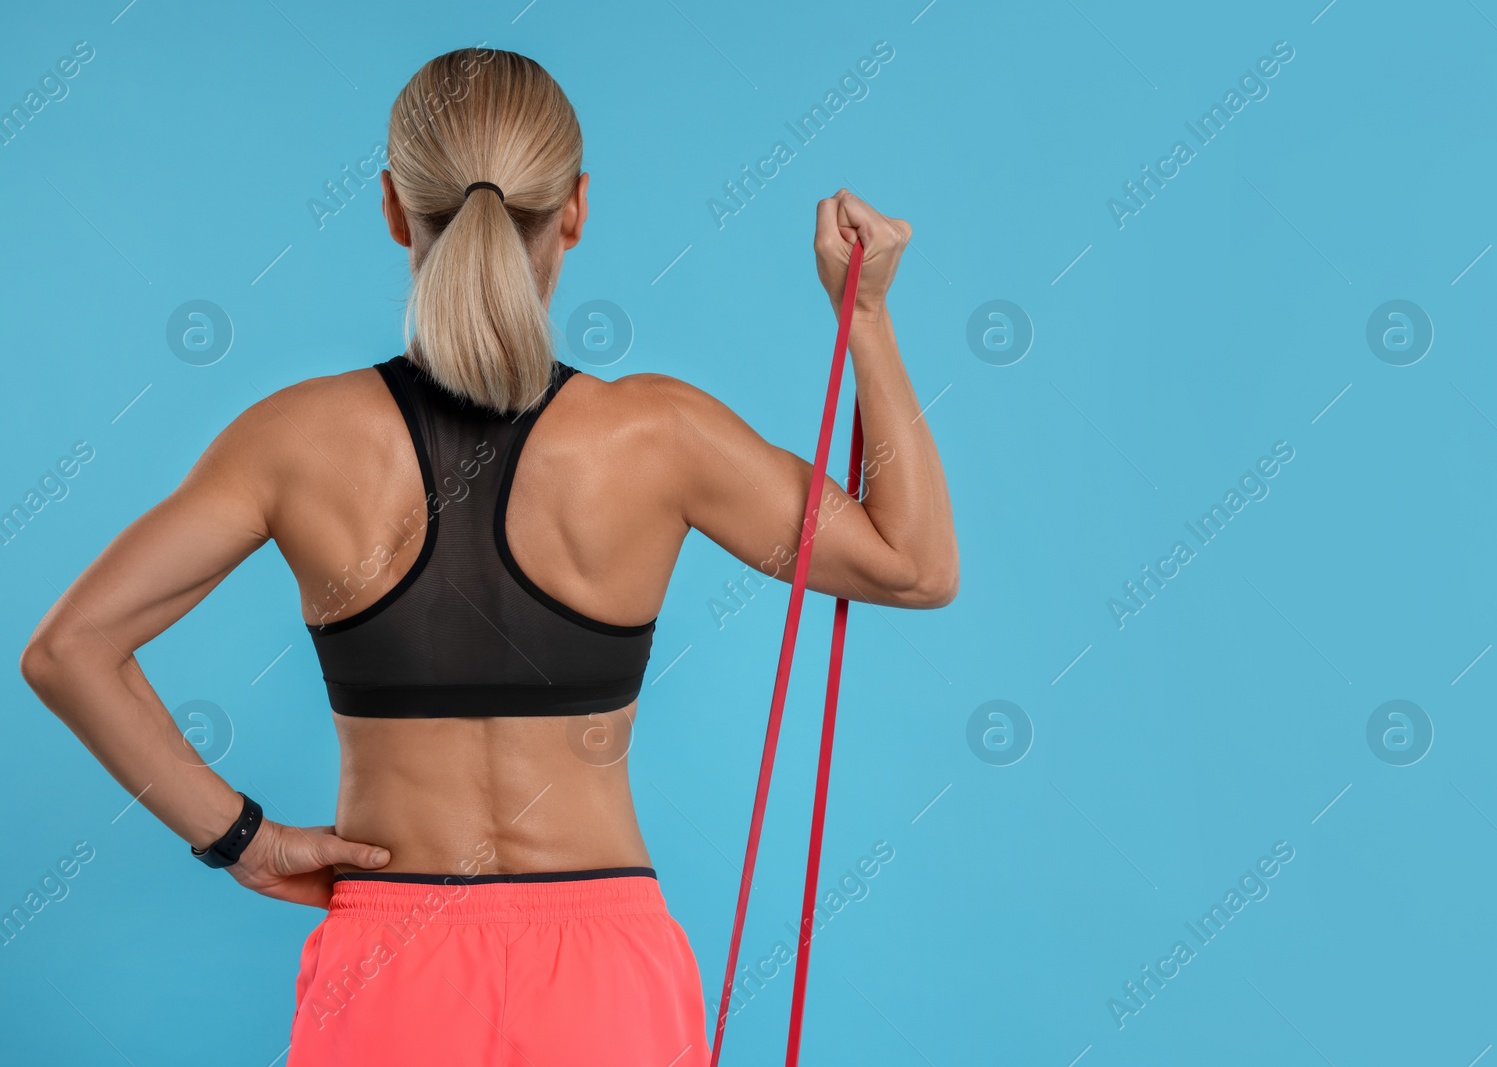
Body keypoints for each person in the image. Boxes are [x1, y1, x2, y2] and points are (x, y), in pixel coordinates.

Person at [19, 46, 957, 1066]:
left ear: (390, 206)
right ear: (576, 209)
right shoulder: (657, 437)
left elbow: (68, 649)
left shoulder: (295, 439)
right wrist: (863, 313)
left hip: (389, 960)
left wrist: (243, 839)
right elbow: (914, 564)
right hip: (604, 974)